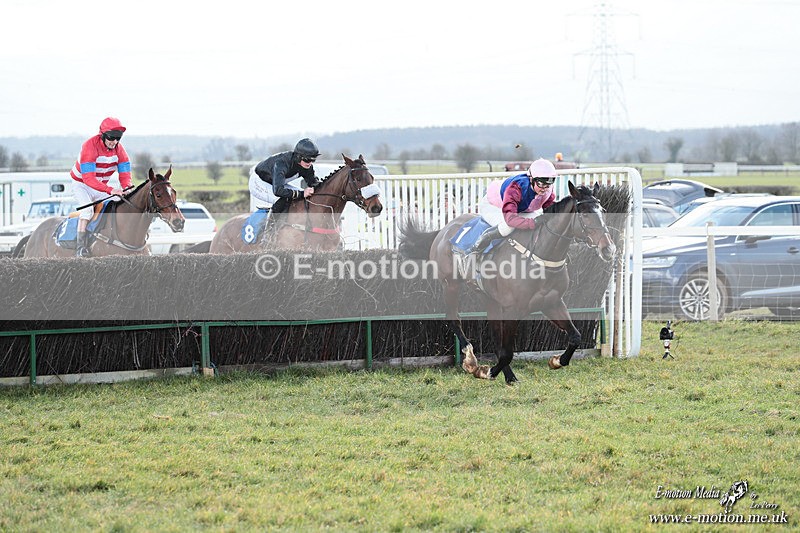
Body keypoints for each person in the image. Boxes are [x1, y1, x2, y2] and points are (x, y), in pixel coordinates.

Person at [70, 117, 132, 257]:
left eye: (118, 138)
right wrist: (111, 190)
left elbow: (125, 173)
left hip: (100, 186)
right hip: (82, 185)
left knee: (119, 201)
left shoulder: (119, 150)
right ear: (102, 135)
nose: (114, 142)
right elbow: (88, 178)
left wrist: (127, 186)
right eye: (111, 137)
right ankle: (81, 247)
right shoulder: (89, 146)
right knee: (87, 210)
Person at [472, 158, 558, 253]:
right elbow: (510, 220)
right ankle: (476, 249)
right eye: (541, 184)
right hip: (494, 206)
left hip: (520, 209)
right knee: (508, 228)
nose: (545, 189)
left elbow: (549, 210)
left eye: (548, 184)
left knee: (539, 222)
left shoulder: (548, 189)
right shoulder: (516, 188)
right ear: (531, 179)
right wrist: (532, 223)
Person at [249, 138, 321, 216]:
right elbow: (278, 191)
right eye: (307, 160)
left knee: (305, 198)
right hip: (259, 182)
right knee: (284, 199)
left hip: (275, 183)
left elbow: (314, 183)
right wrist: (301, 193)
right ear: (298, 157)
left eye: (313, 160)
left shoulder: (307, 166)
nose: (309, 163)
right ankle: (270, 225)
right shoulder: (281, 164)